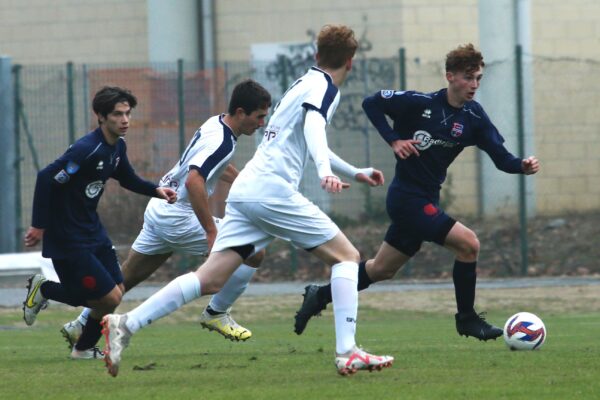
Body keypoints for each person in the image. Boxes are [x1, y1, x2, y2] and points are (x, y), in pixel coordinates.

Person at [101, 24, 393, 378]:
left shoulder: (302, 83)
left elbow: (305, 134)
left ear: (316, 56)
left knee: (209, 279)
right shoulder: (326, 87)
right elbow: (315, 126)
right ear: (351, 61)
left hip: (247, 190)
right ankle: (347, 352)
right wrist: (323, 172)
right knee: (347, 257)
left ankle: (126, 324)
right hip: (271, 191)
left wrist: (353, 171)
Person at [293, 43, 541, 341]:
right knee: (468, 244)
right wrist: (394, 140)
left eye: (478, 79)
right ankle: (466, 319)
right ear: (450, 76)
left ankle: (318, 296)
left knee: (381, 269)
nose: (474, 85)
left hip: (425, 200)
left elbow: (502, 159)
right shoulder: (419, 103)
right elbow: (371, 103)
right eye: (467, 77)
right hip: (407, 200)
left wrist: (521, 166)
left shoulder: (474, 118)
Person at [59, 79, 272, 352]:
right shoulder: (222, 141)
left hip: (160, 206)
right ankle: (218, 312)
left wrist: (245, 185)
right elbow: (195, 181)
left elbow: (217, 167)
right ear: (241, 113)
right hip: (178, 216)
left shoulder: (215, 123)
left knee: (124, 281)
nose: (262, 123)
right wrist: (210, 230)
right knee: (255, 250)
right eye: (259, 116)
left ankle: (80, 324)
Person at [22, 86, 177, 359]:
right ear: (101, 117)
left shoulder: (117, 147)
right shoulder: (87, 149)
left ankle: (81, 347)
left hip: (92, 231)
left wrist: (156, 190)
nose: (125, 119)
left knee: (116, 291)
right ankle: (46, 291)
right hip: (68, 235)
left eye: (128, 113)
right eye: (118, 114)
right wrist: (39, 225)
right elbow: (47, 178)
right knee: (107, 298)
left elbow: (127, 178)